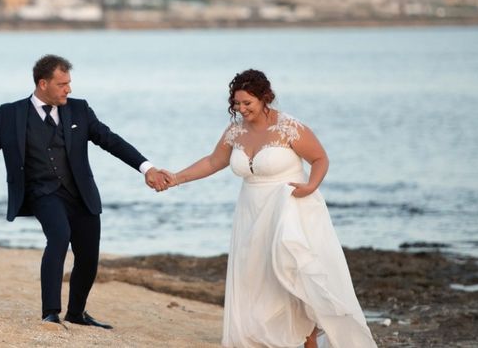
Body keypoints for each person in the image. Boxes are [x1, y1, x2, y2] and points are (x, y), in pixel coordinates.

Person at [0, 54, 170, 329]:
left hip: (81, 193)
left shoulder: (79, 110)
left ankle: (76, 314)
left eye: (69, 83)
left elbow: (110, 141)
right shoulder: (11, 114)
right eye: (62, 83)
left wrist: (146, 168)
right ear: (43, 84)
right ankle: (50, 313)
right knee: (59, 237)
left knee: (88, 256)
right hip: (43, 194)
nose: (69, 89)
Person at [156, 69, 376, 348]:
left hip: (289, 209)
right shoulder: (235, 131)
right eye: (237, 103)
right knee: (256, 278)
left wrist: (311, 186)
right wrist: (175, 178)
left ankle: (310, 341)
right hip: (250, 212)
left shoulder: (289, 127)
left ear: (265, 98)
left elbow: (320, 158)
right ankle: (263, 339)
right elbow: (213, 162)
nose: (242, 109)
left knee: (295, 273)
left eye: (248, 103)